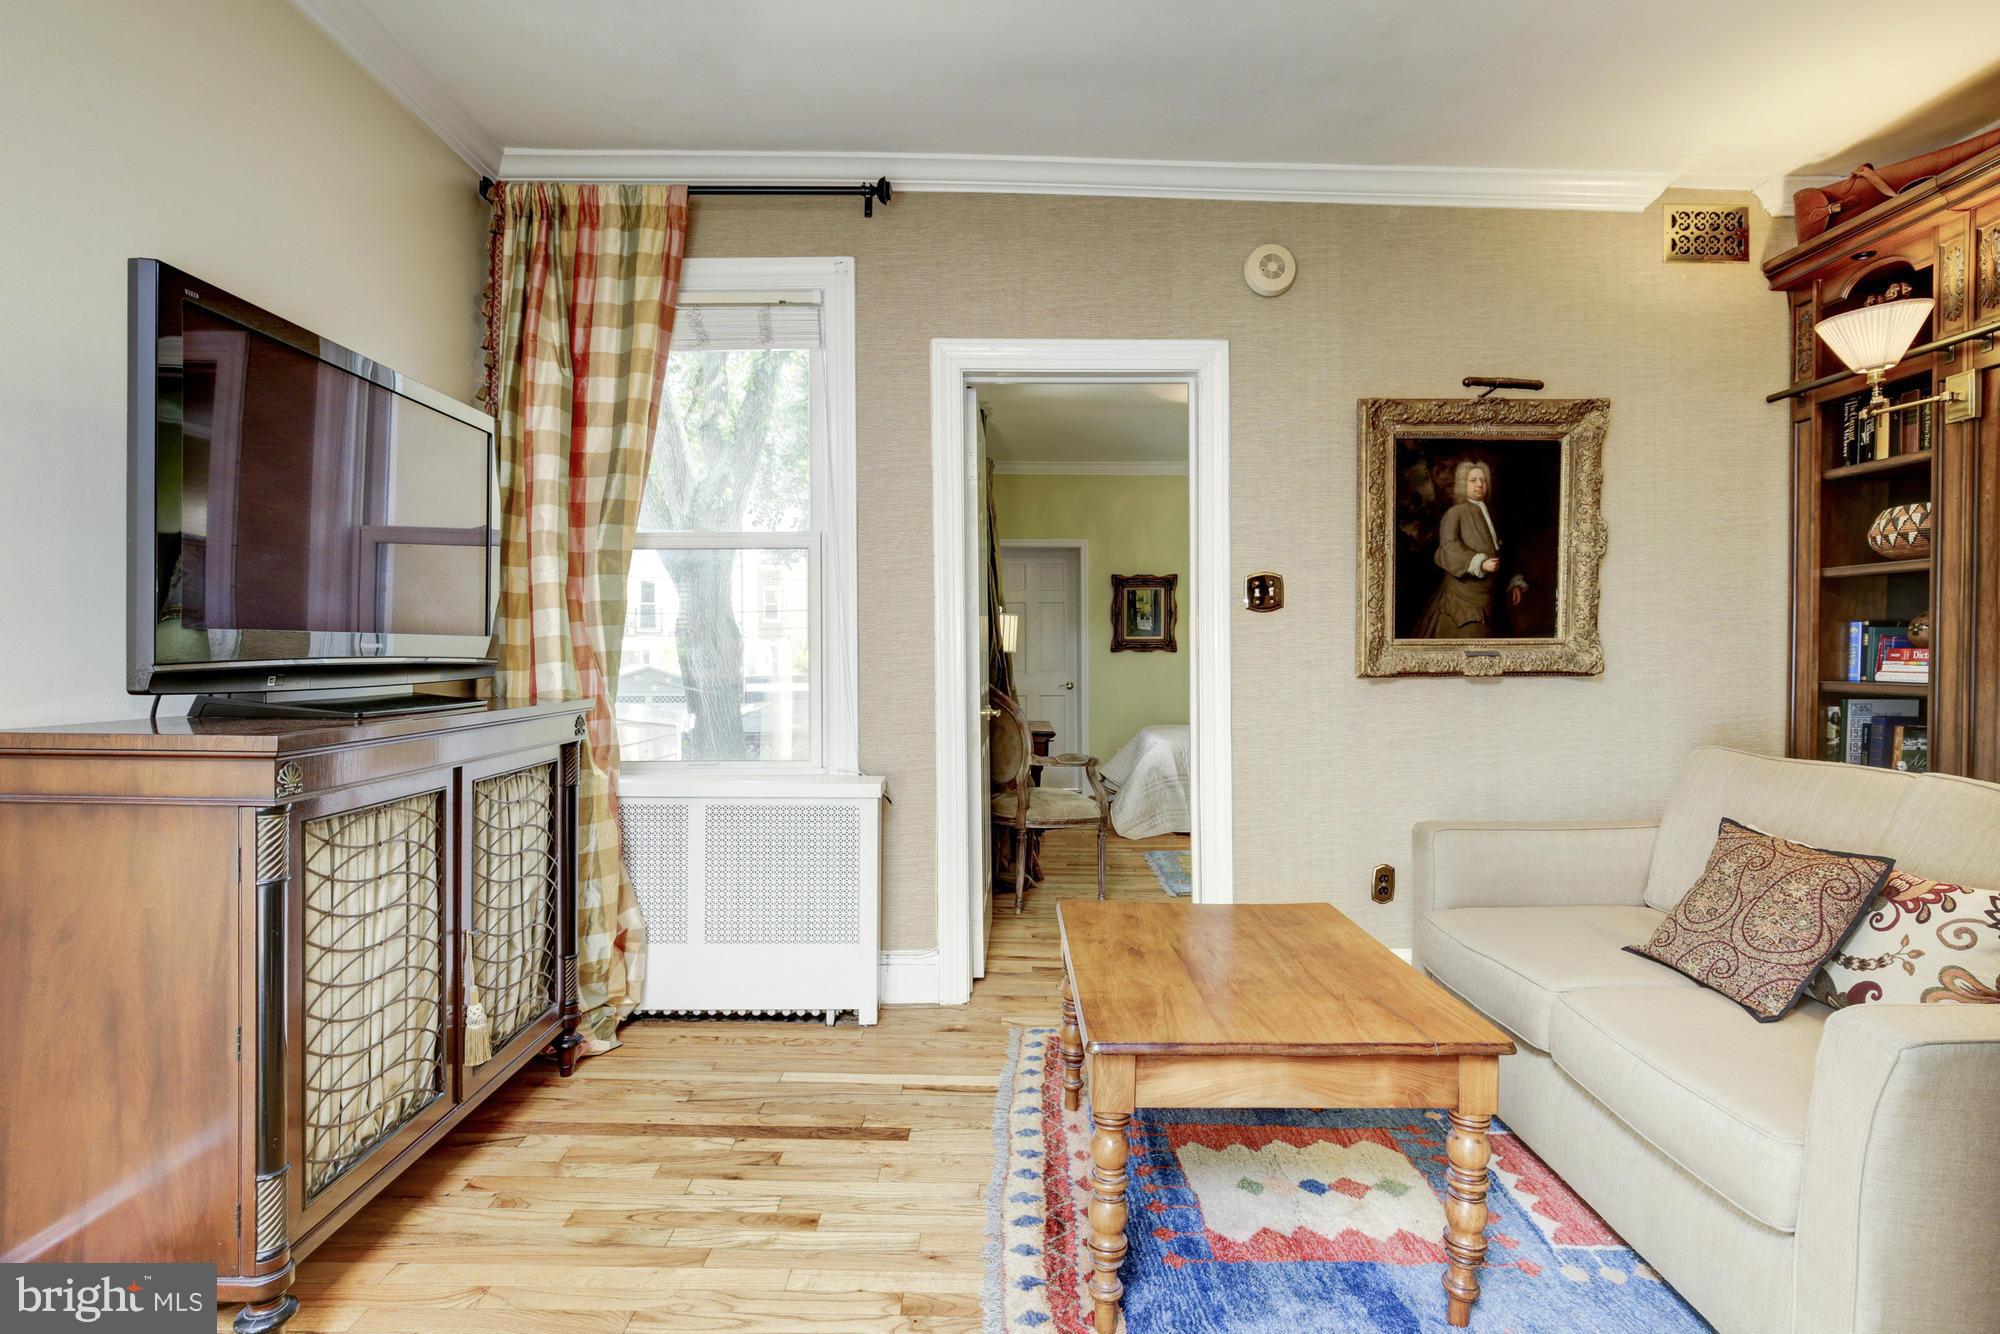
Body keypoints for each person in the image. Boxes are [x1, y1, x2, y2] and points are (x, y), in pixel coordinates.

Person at [1411, 459, 1526, 638]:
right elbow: (1448, 548)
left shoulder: (1493, 514)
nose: (1479, 484)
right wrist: (1479, 563)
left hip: (1491, 600)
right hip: (1461, 601)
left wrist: (1513, 583)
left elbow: (1504, 551)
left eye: (1483, 480)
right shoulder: (1455, 513)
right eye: (1473, 480)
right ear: (1463, 484)